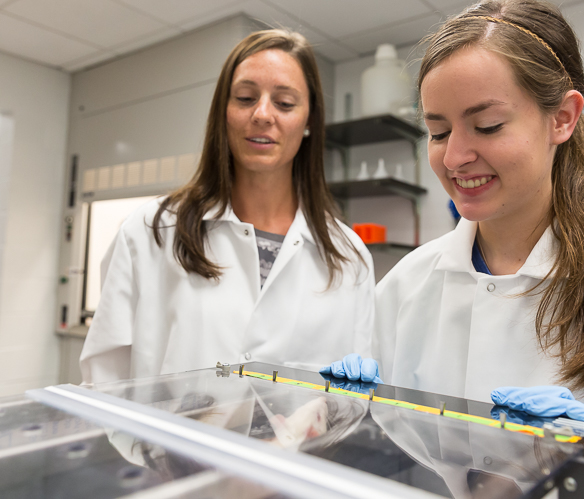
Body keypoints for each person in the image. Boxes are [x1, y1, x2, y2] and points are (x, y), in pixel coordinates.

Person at [328, 0, 584, 488]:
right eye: (437, 131)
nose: (454, 156)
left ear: (562, 118)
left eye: (488, 126)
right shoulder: (405, 288)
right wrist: (346, 420)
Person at [80, 29, 374, 384]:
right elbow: (104, 385)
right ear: (224, 111)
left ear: (309, 120)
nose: (263, 114)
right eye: (246, 98)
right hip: (166, 442)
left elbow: (351, 403)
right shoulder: (151, 231)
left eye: (284, 103)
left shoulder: (349, 257)